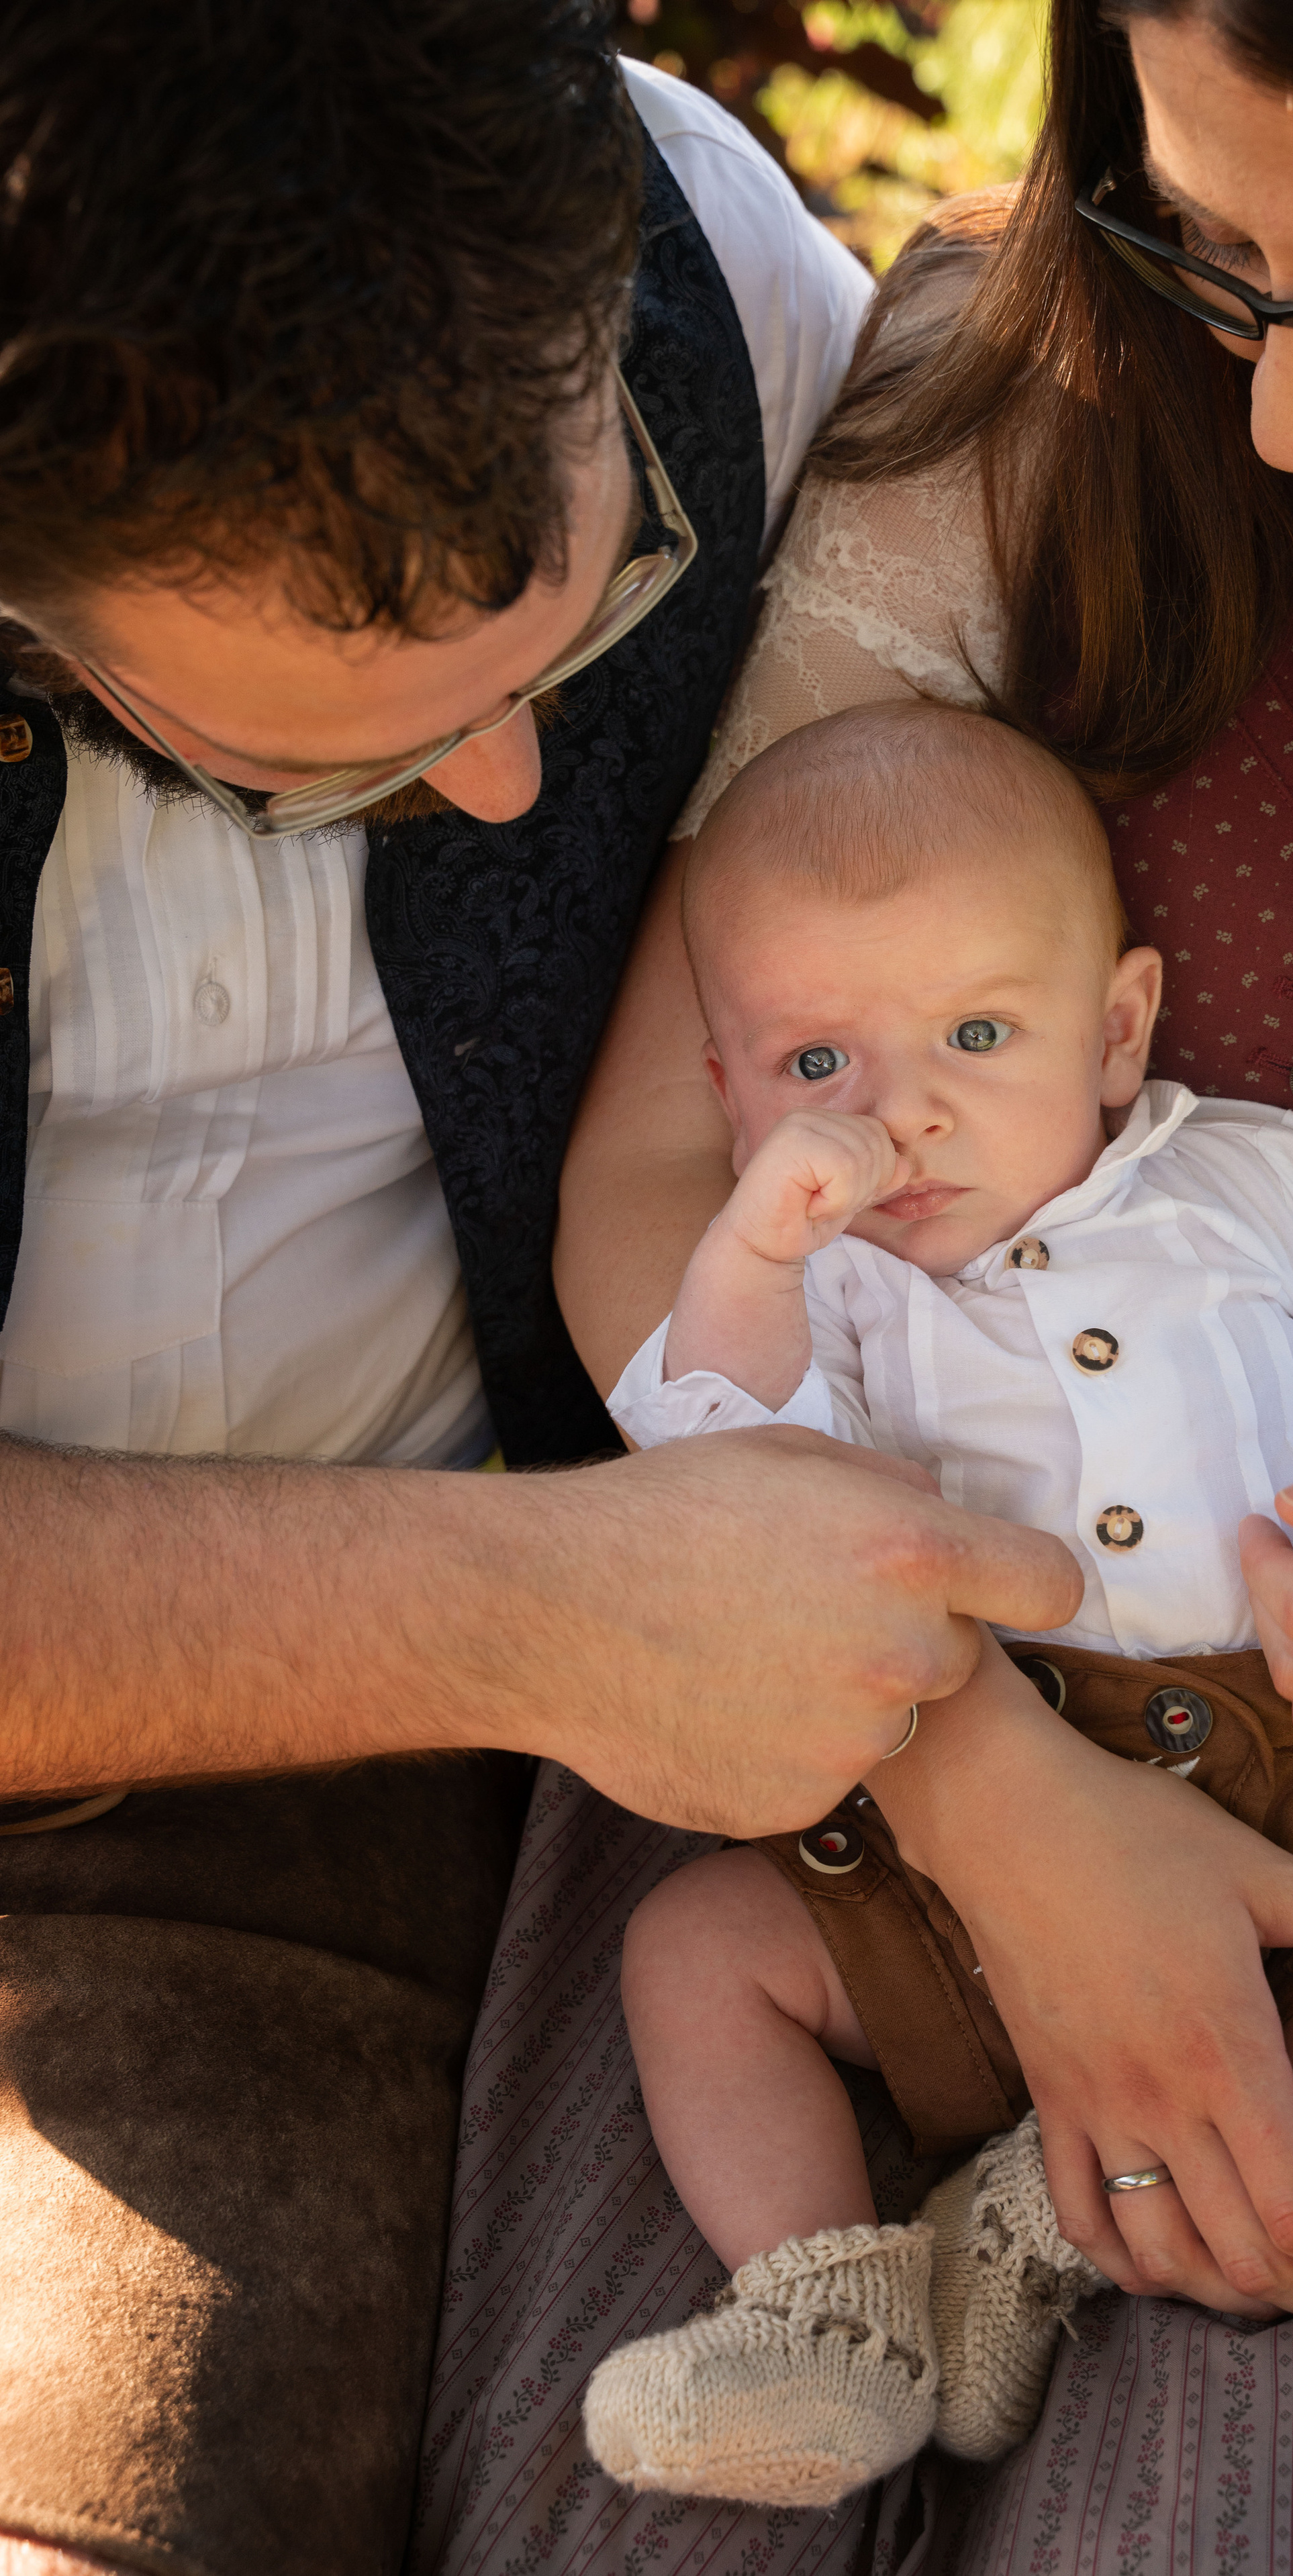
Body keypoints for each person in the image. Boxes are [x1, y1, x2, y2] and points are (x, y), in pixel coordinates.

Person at [427, 0, 1293, 2567]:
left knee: (1289, 2477)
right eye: (1216, 244)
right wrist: (971, 1775)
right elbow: (671, 1168)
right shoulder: (1025, 406)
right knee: (684, 2499)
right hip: (843, 1623)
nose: (1271, 410)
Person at [0, 7, 1115, 2571]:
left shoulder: (709, 272)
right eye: (339, 760)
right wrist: (541, 1606)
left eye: (593, 624)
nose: (511, 795)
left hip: (280, 1868)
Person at [579, 701, 1293, 2509]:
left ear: (1116, 1033)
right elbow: (717, 1465)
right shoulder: (831, 1290)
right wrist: (754, 1252)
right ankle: (826, 2310)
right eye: (814, 1064)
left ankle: (1029, 2229)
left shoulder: (1249, 1185)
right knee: (694, 1959)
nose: (899, 1112)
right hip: (943, 1821)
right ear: (722, 1089)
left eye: (977, 1033)